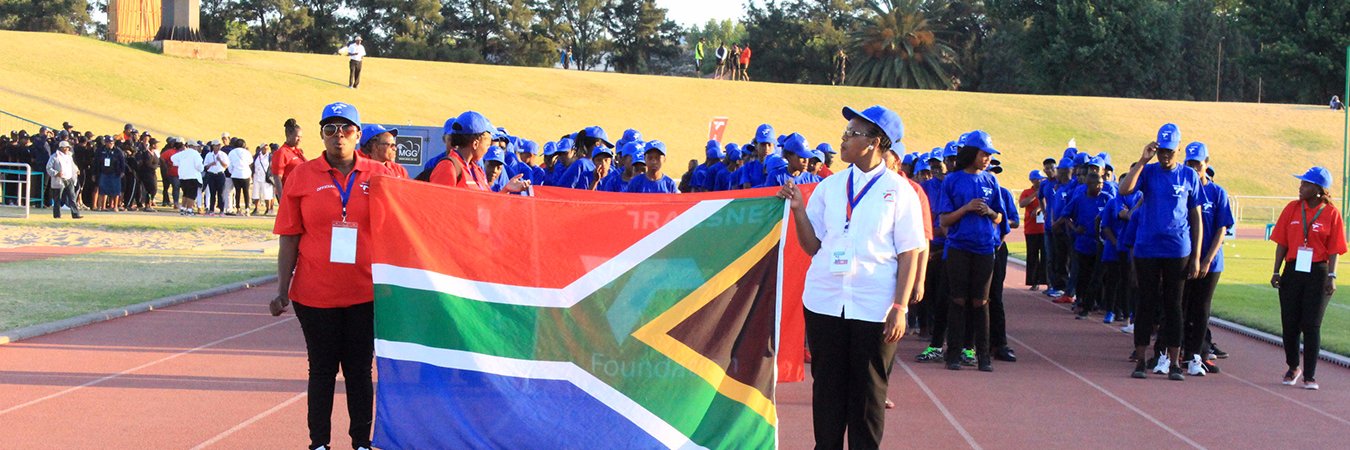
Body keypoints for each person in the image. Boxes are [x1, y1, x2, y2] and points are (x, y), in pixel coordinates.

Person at [777, 105, 923, 450]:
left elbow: (910, 252)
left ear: (874, 142)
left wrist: (900, 306)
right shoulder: (831, 186)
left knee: (867, 392)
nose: (843, 139)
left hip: (875, 306)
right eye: (845, 133)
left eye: (852, 134)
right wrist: (798, 209)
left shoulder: (900, 192)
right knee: (827, 387)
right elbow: (812, 245)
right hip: (825, 300)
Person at [273, 102, 391, 450]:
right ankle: (320, 444)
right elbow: (289, 236)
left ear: (358, 134)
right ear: (322, 133)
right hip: (314, 295)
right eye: (330, 129)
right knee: (321, 371)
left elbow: (412, 223)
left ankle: (360, 443)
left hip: (365, 293)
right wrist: (282, 290)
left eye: (346, 129)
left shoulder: (382, 175)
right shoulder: (302, 176)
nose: (338, 136)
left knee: (358, 372)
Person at [1119, 123, 1202, 381]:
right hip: (1147, 248)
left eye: (1170, 151)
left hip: (1177, 249)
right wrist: (1143, 160)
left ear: (1179, 148)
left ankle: (1174, 363)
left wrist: (1197, 256)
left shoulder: (1189, 176)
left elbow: (1196, 216)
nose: (1165, 156)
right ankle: (1141, 360)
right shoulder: (1149, 171)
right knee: (1146, 303)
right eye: (1161, 151)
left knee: (1173, 306)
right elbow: (1124, 190)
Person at [937, 131, 1007, 372]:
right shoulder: (952, 180)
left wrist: (988, 211)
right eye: (984, 154)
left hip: (985, 248)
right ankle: (953, 354)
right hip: (959, 248)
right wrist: (966, 208)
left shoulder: (991, 181)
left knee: (981, 301)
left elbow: (1000, 217)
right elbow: (944, 220)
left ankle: (983, 356)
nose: (987, 159)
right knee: (957, 300)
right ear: (971, 154)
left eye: (989, 155)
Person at [1270, 166, 1345, 391]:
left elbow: (1334, 249)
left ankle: (1310, 375)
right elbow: (1282, 242)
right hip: (1293, 270)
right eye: (1301, 183)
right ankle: (1293, 366)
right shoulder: (1292, 209)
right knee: (1290, 323)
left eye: (1306, 184)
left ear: (1319, 190)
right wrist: (1276, 271)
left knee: (1311, 325)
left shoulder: (1331, 214)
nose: (1300, 187)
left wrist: (1332, 275)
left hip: (1319, 272)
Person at [1181, 142, 1233, 376]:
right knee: (1181, 306)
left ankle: (1198, 354)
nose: (1193, 168)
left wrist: (1206, 260)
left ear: (1206, 164)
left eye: (1197, 164)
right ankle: (1179, 351)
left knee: (1201, 309)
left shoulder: (1217, 192)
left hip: (1209, 263)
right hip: (1182, 260)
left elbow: (1221, 230)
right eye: (1189, 163)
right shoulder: (1181, 190)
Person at [429, 111, 530, 193]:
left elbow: (486, 204)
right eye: (487, 143)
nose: (488, 148)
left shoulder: (477, 169)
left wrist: (506, 189)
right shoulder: (448, 167)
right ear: (475, 143)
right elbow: (438, 209)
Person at [1060, 167, 1112, 320]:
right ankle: (1081, 301)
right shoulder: (1079, 199)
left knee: (1098, 276)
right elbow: (1065, 216)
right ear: (1089, 184)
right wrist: (1075, 229)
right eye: (1098, 184)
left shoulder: (1107, 198)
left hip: (1101, 244)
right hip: (1083, 243)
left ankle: (1093, 304)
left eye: (1102, 183)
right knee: (1083, 275)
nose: (1101, 186)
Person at [1020, 170, 1047, 290]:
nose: (1041, 181)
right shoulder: (1026, 192)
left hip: (1045, 229)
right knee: (1032, 256)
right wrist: (1036, 194)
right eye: (1039, 179)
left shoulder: (1047, 190)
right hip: (1031, 229)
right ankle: (1033, 281)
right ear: (1033, 180)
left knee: (1046, 256)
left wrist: (1038, 207)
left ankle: (1047, 282)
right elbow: (1022, 204)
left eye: (1042, 179)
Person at [46, 141, 81, 219]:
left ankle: (75, 214)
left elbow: (73, 165)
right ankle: (57, 215)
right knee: (57, 199)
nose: (67, 149)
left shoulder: (69, 156)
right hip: (59, 180)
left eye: (68, 147)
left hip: (69, 179)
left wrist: (76, 170)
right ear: (61, 148)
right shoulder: (54, 157)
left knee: (72, 197)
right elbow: (48, 168)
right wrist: (56, 173)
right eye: (65, 147)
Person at [273, 118, 308, 196]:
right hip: (291, 195)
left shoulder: (298, 152)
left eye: (301, 137)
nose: (300, 139)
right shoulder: (282, 153)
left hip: (303, 193)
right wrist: (283, 201)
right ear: (288, 135)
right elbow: (277, 178)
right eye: (297, 137)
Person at [171, 138, 204, 216]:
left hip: (183, 176)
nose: (197, 148)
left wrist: (179, 164)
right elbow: (199, 166)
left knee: (185, 194)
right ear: (192, 146)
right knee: (191, 195)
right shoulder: (195, 154)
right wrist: (201, 168)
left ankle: (183, 208)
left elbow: (173, 158)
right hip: (193, 176)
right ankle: (189, 210)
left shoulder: (182, 153)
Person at [94, 136, 125, 211]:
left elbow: (122, 162)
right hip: (104, 172)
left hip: (115, 173)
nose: (110, 144)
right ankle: (100, 207)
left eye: (112, 142)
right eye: (108, 142)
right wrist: (94, 173)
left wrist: (122, 172)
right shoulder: (100, 150)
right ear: (105, 143)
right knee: (102, 190)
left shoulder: (118, 151)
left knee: (116, 190)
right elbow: (96, 162)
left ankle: (115, 207)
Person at [203, 140, 230, 216]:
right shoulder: (209, 155)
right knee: (212, 193)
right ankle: (211, 210)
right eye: (216, 145)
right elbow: (205, 166)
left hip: (220, 174)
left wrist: (220, 160)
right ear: (213, 146)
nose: (218, 147)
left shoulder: (223, 155)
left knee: (221, 193)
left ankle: (221, 210)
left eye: (219, 145)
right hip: (211, 175)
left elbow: (226, 165)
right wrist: (211, 164)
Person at [228, 138, 254, 215]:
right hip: (245, 174)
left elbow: (230, 164)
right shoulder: (247, 152)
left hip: (235, 174)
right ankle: (247, 209)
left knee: (237, 192)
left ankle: (238, 208)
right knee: (246, 192)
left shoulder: (232, 152)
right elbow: (250, 161)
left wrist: (232, 172)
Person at [251, 144, 275, 216]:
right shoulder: (257, 156)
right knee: (256, 194)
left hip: (266, 178)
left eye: (267, 148)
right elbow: (253, 165)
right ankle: (256, 208)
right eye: (264, 148)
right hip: (257, 177)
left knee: (267, 194)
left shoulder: (270, 156)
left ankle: (268, 209)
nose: (266, 150)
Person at [160, 140, 181, 208]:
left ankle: (185, 203)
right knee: (175, 187)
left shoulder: (183, 152)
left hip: (183, 174)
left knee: (184, 189)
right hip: (173, 174)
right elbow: (162, 158)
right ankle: (175, 202)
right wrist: (166, 165)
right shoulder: (170, 151)